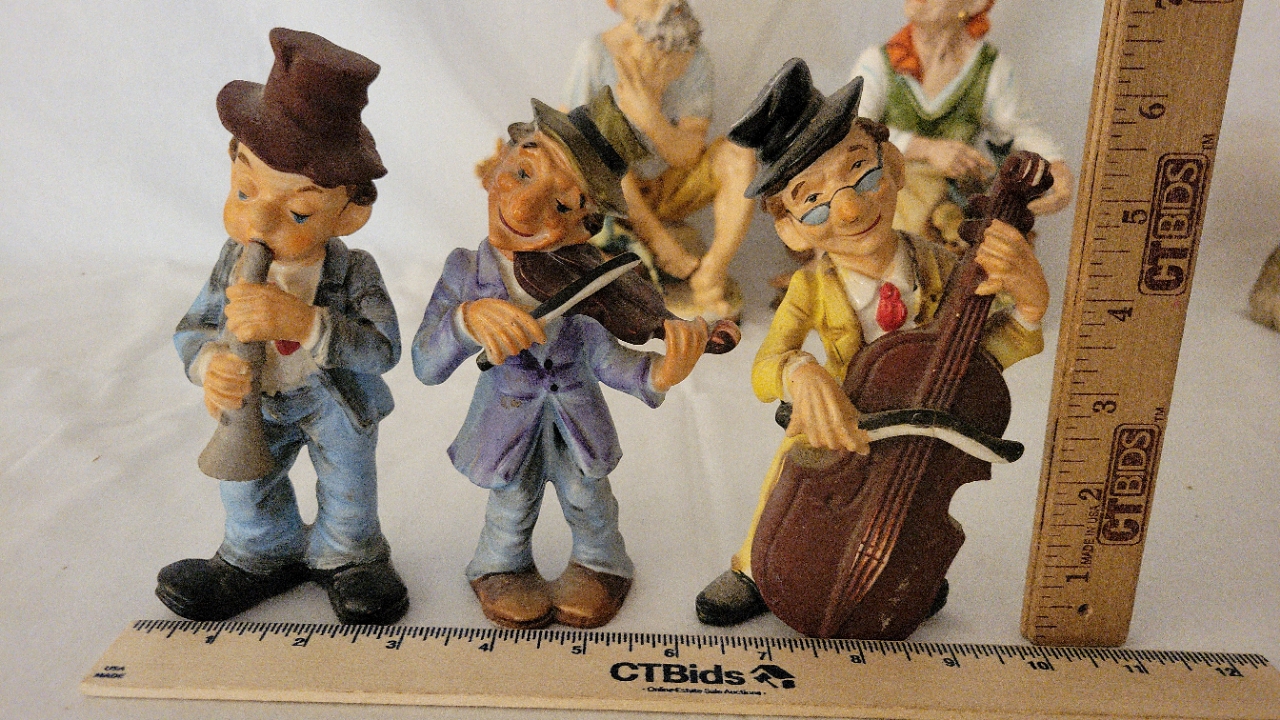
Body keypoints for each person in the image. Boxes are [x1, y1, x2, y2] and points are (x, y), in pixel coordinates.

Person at [695, 58, 1048, 628]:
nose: (850, 207)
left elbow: (985, 357)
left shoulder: (945, 267)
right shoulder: (811, 287)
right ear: (789, 228)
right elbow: (765, 365)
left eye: (860, 171)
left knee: (916, 497)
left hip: (923, 426)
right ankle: (754, 568)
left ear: (896, 166)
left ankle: (903, 556)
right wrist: (800, 373)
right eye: (813, 199)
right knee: (786, 474)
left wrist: (1029, 307)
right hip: (841, 422)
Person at [414, 89, 711, 630]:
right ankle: (499, 566)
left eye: (565, 205)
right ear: (495, 163)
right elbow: (425, 365)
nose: (525, 209)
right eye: (522, 173)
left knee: (588, 497)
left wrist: (661, 372)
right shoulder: (465, 271)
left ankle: (601, 564)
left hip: (578, 417)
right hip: (505, 419)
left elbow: (606, 356)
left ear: (586, 223)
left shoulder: (587, 279)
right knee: (511, 501)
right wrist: (466, 320)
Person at [157, 28, 408, 626]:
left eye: (298, 211)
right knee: (246, 485)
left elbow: (382, 350)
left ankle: (349, 556)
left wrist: (307, 322)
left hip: (332, 400)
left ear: (351, 213)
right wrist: (211, 365)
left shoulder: (355, 271)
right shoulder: (230, 262)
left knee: (348, 482)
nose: (260, 222)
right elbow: (193, 328)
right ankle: (259, 552)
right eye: (245, 191)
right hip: (258, 402)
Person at [563, 0, 756, 318]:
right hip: (610, 197)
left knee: (739, 153)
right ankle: (657, 242)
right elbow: (577, 142)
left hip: (669, 186)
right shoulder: (596, 54)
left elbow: (688, 154)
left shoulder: (692, 54)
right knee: (598, 139)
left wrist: (652, 119)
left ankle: (711, 272)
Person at [852, 0, 1073, 250]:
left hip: (953, 202)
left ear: (974, 4)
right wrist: (926, 149)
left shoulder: (989, 67)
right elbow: (854, 130)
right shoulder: (877, 62)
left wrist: (1056, 165)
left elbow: (1019, 129)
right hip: (892, 201)